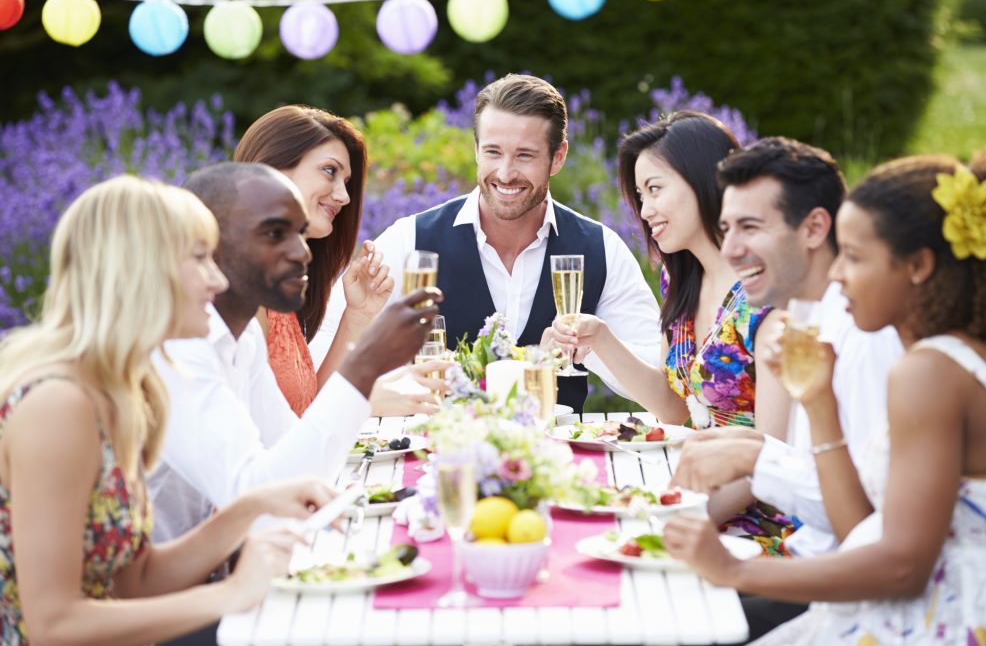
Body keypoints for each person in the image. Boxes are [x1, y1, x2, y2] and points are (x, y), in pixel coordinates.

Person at [665, 148, 986, 645]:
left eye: (854, 257)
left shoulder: (928, 373)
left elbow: (902, 568)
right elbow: (864, 530)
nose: (835, 274)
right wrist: (817, 403)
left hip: (946, 625)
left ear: (917, 265)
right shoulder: (958, 359)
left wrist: (732, 570)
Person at [0, 176, 341, 644]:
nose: (218, 280)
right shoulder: (58, 403)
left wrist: (252, 508)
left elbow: (134, 581)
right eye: (200, 259)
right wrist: (232, 593)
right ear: (142, 268)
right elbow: (53, 625)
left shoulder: (123, 390)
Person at [312, 73, 661, 413]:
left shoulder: (601, 248)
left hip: (561, 463)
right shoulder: (410, 240)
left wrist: (594, 346)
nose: (506, 173)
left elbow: (658, 379)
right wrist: (397, 386)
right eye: (493, 152)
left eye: (524, 155)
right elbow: (323, 358)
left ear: (558, 157)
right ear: (476, 150)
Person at [669, 137, 904, 636]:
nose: (730, 250)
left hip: (841, 600)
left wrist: (757, 457)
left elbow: (866, 522)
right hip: (805, 571)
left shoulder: (862, 335)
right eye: (727, 228)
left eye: (750, 227)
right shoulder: (803, 314)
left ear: (815, 227)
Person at [148, 162, 440, 543]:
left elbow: (292, 463)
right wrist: (364, 364)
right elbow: (258, 500)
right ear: (208, 246)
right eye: (274, 234)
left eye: (300, 233)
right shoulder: (178, 349)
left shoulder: (245, 335)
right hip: (167, 592)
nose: (302, 252)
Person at [546, 113, 795, 555]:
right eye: (640, 197)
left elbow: (772, 460)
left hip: (758, 525)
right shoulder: (681, 284)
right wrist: (601, 340)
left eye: (655, 190)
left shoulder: (766, 298)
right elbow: (673, 408)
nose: (645, 212)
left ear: (706, 180)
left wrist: (672, 519)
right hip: (695, 497)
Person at [234, 106, 441, 416]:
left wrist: (357, 315)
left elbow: (304, 406)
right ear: (272, 168)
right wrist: (362, 403)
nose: (344, 196)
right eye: (330, 171)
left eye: (346, 181)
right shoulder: (240, 289)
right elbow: (265, 435)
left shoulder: (275, 288)